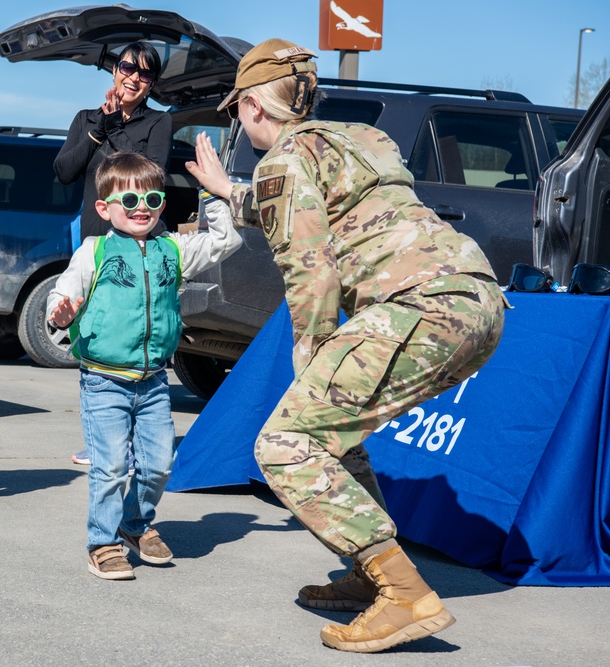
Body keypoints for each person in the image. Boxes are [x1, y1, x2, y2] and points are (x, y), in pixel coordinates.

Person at [185, 39, 507, 652]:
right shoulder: (362, 139)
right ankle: (368, 572)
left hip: (417, 306)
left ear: (253, 105)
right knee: (336, 432)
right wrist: (231, 191)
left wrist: (308, 352)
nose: (237, 121)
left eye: (236, 111)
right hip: (473, 301)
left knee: (285, 444)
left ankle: (403, 593)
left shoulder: (280, 161)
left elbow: (309, 267)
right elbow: (301, 204)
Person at [48, 150, 242, 580]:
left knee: (158, 465)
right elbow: (60, 296)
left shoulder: (172, 249)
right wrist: (59, 313)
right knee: (112, 466)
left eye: (152, 201)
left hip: (153, 380)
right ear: (104, 208)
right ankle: (102, 542)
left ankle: (134, 524)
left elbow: (226, 241)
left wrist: (214, 194)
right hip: (103, 380)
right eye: (130, 202)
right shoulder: (93, 251)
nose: (142, 210)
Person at [53, 41, 173, 467]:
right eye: (127, 68)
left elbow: (148, 172)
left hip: (141, 245)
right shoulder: (87, 120)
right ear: (114, 70)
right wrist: (98, 127)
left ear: (152, 83)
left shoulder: (160, 121)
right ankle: (102, 437)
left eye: (145, 74)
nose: (134, 78)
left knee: (134, 334)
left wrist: (113, 128)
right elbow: (65, 171)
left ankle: (135, 437)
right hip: (96, 242)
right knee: (96, 337)